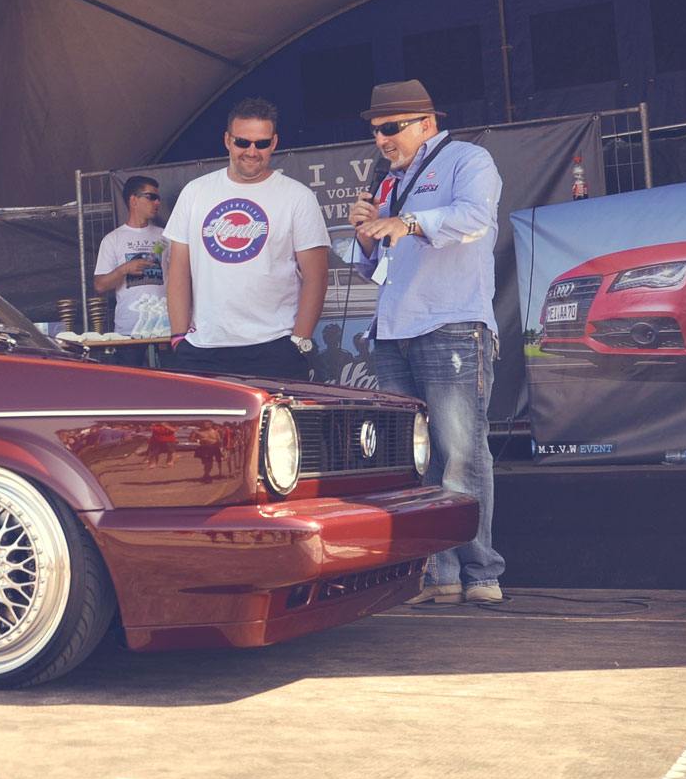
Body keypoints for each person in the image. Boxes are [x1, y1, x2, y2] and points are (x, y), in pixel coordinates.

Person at [347, 80, 505, 604]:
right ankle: (439, 574)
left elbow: (475, 219)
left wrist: (408, 221)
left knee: (460, 451)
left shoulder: (468, 159)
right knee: (415, 458)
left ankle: (480, 573)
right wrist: (365, 235)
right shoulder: (389, 182)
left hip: (450, 323)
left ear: (427, 124)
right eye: (376, 131)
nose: (382, 140)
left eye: (391, 128)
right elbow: (376, 267)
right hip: (393, 330)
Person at [164, 97, 330, 378]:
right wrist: (179, 337)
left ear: (274, 143)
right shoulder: (195, 192)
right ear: (227, 140)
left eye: (261, 143)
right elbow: (178, 269)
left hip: (275, 347)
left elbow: (317, 276)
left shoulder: (297, 196)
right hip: (202, 348)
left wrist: (299, 342)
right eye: (243, 142)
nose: (252, 151)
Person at [93, 176, 168, 355]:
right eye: (151, 197)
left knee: (168, 373)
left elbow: (180, 276)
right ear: (133, 200)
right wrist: (124, 269)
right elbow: (100, 286)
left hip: (164, 328)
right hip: (128, 330)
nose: (157, 202)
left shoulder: (164, 237)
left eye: (158, 198)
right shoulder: (113, 239)